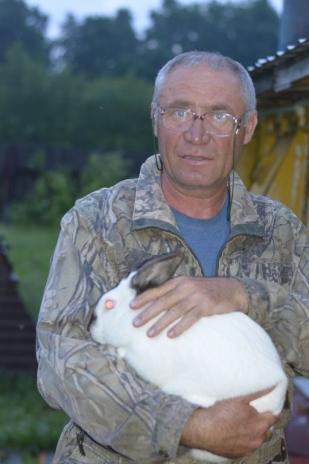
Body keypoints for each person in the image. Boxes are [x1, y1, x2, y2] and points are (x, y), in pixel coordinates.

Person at [36, 51, 309, 464]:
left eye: (220, 117)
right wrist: (186, 425)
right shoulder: (97, 221)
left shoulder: (282, 231)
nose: (196, 134)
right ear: (155, 119)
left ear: (248, 128)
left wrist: (247, 297)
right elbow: (61, 358)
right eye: (180, 111)